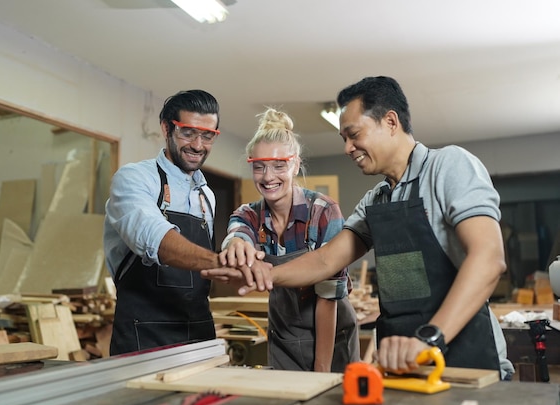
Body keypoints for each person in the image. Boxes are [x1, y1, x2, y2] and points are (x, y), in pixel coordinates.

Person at [204, 76, 514, 380]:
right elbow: (326, 261)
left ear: (390, 122)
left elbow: (488, 258)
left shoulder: (448, 166)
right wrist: (266, 274)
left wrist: (429, 338)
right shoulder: (376, 199)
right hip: (402, 362)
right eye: (344, 139)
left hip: (466, 360)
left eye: (354, 135)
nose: (347, 148)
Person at [221, 108, 360, 372]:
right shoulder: (248, 215)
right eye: (259, 167)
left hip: (332, 338)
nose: (268, 177)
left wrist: (321, 370)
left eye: (279, 165)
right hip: (284, 338)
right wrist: (237, 246)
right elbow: (237, 235)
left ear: (295, 164)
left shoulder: (323, 211)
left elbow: (328, 296)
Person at [104, 89, 226, 355]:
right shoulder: (134, 179)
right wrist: (220, 263)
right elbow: (156, 238)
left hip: (199, 334)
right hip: (144, 335)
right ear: (166, 128)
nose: (198, 145)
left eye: (208, 136)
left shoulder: (207, 196)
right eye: (188, 132)